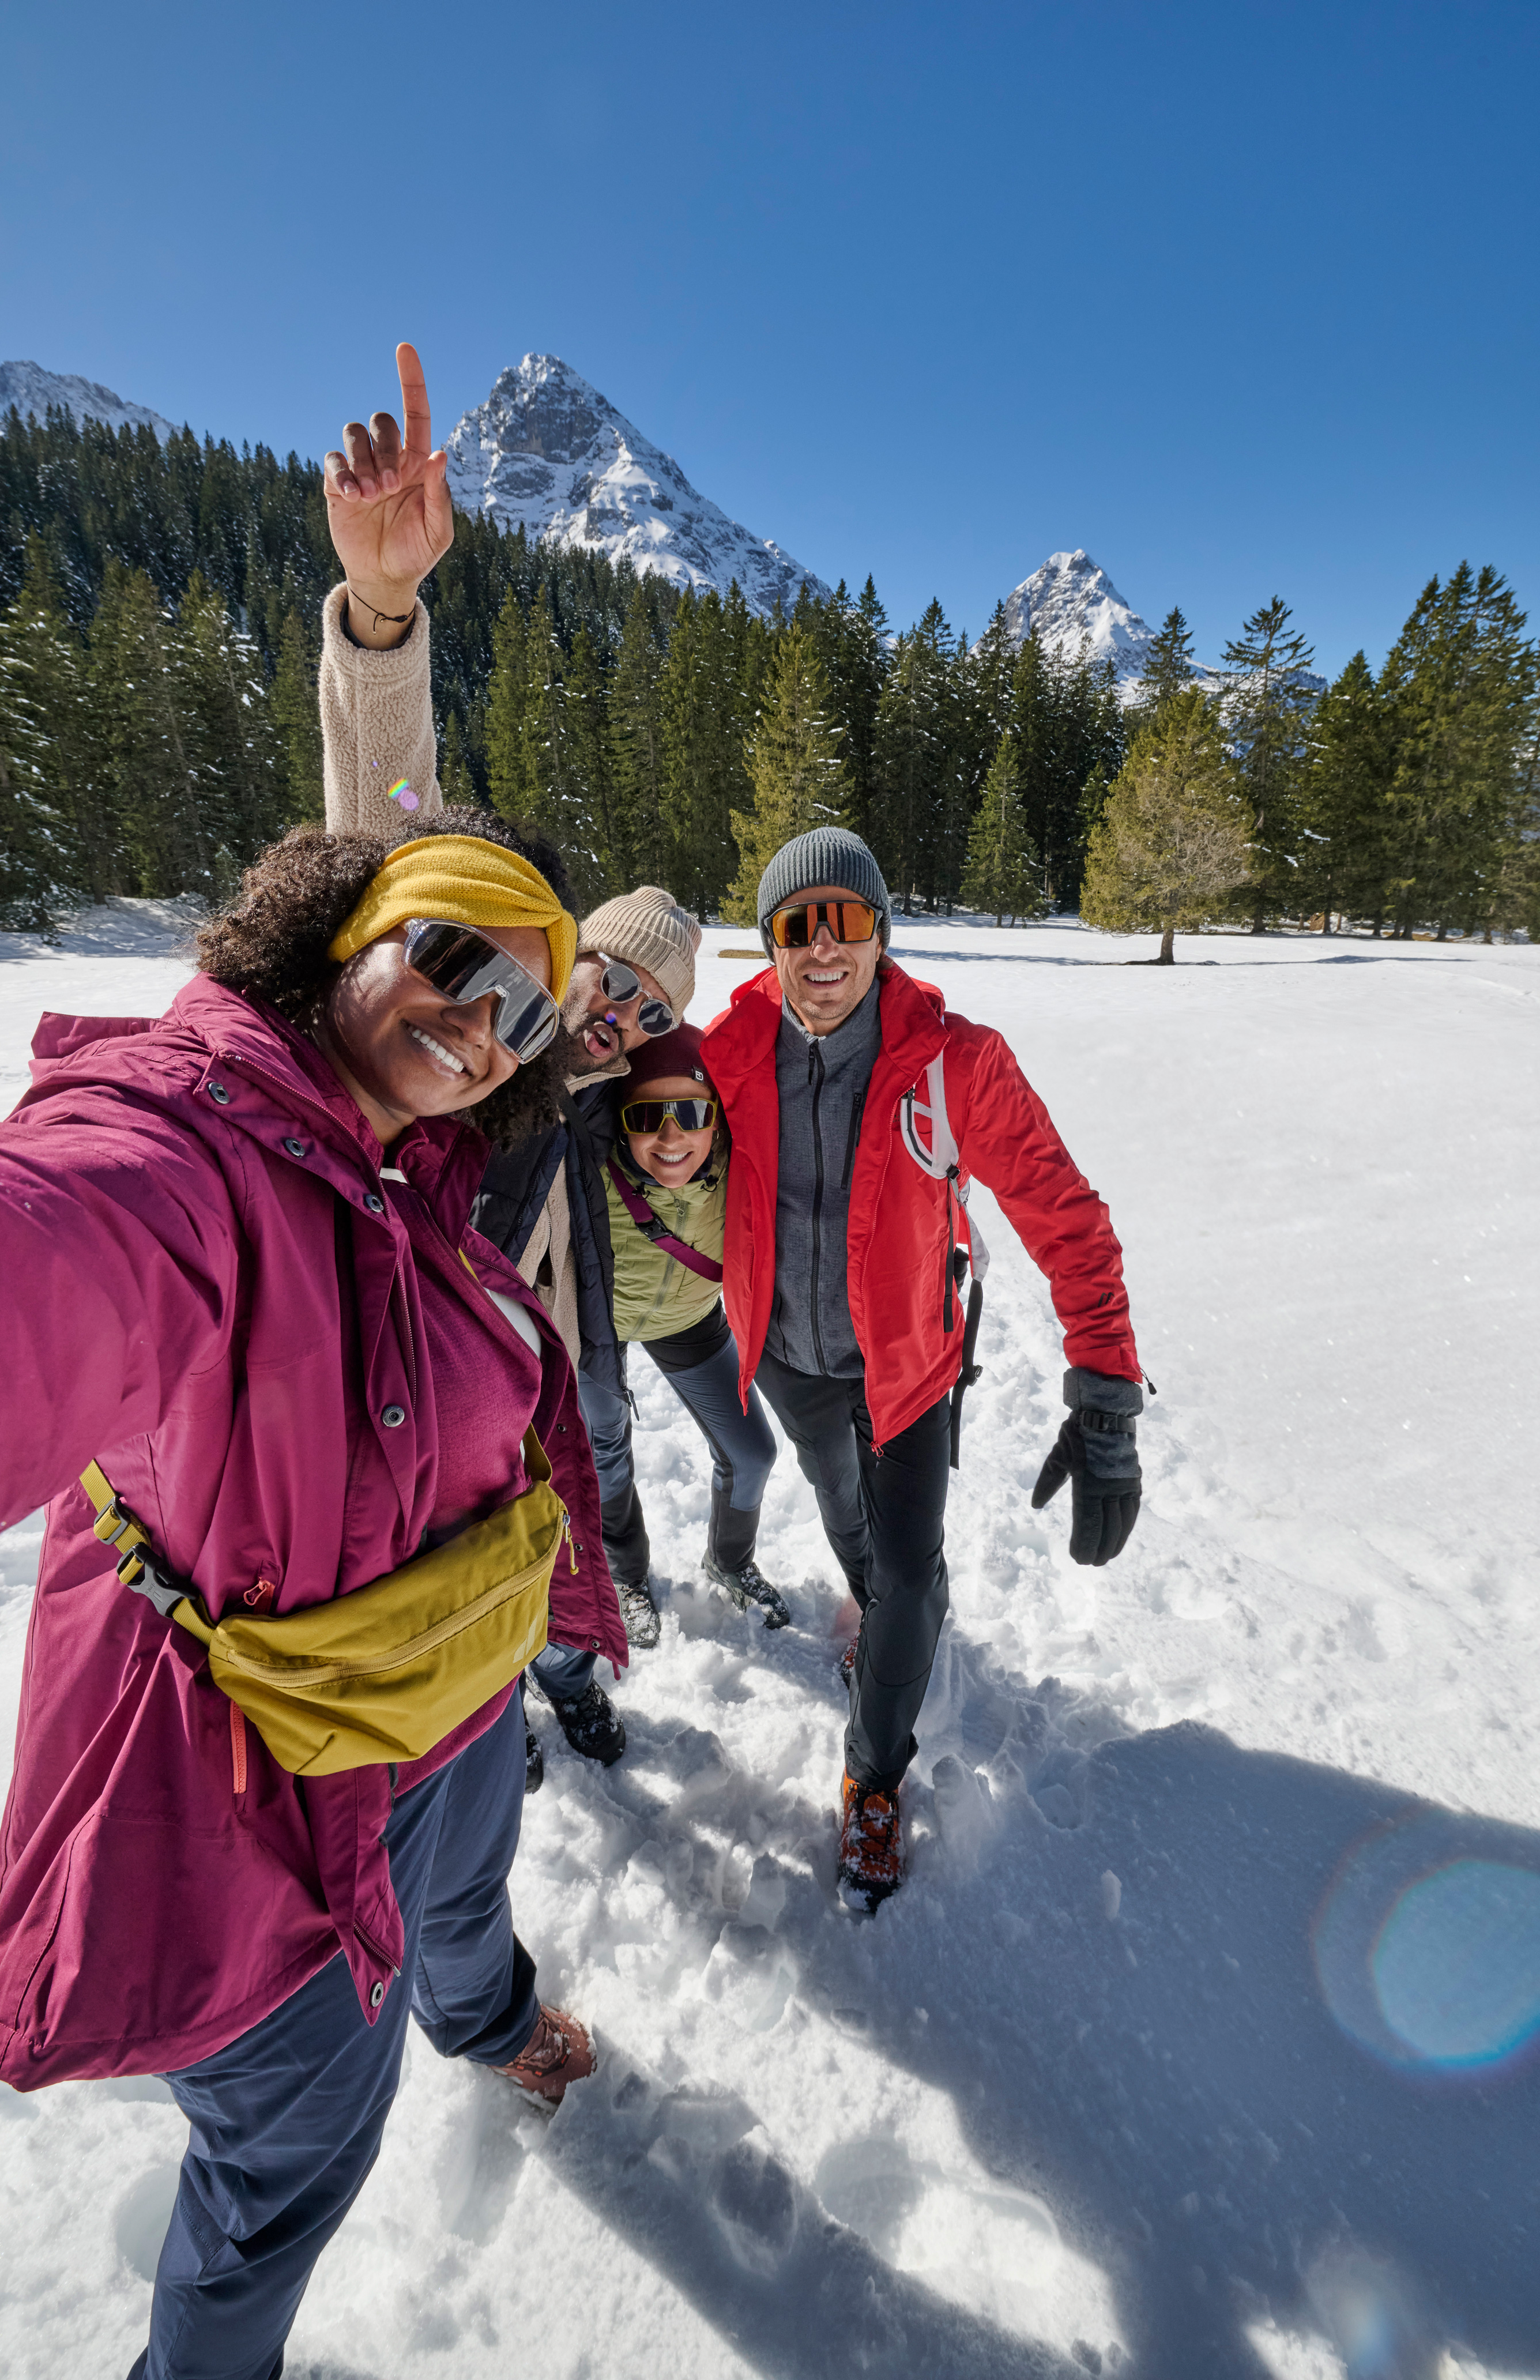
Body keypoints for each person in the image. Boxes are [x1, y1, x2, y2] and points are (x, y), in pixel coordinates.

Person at [0, 808, 624, 2379]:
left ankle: (486, 2016)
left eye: (523, 1013)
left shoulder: (417, 1163)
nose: (477, 1023)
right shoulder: (188, 1146)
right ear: (346, 931)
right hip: (260, 1800)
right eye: (454, 959)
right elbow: (30, 1264)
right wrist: (382, 632)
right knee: (288, 2168)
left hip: (448, 1711)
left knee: (466, 1909)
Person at [318, 343, 701, 1772]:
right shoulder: (477, 1053)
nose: (612, 1017)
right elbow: (390, 830)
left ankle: (557, 1688)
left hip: (521, 1384)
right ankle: (489, 1729)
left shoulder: (602, 1088)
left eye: (646, 1014)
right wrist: (383, 613)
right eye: (601, 982)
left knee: (536, 1548)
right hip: (388, 1395)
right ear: (562, 955)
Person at [702, 826, 1144, 1912]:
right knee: (847, 1523)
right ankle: (871, 1602)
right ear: (767, 944)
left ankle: (874, 1772)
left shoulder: (956, 1063)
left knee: (907, 1567)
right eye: (794, 925)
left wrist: (1104, 1390)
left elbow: (1068, 1220)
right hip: (789, 1364)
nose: (821, 948)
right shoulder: (723, 1053)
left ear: (880, 933)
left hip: (908, 1373)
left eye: (844, 921)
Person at [601, 1023, 786, 1627]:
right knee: (605, 1458)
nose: (672, 1135)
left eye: (691, 1111)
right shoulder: (584, 1169)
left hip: (690, 1319)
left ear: (718, 1117)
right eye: (647, 1116)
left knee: (752, 1454)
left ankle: (729, 1562)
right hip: (591, 1329)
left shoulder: (743, 1162)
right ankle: (626, 1577)